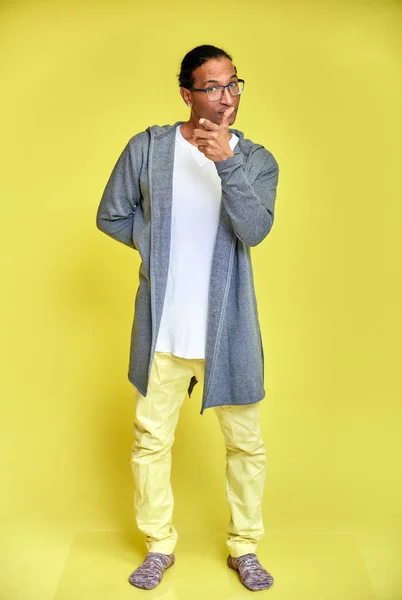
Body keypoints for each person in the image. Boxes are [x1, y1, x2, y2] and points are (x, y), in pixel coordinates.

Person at [96, 44, 279, 592]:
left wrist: (227, 161)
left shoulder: (258, 159)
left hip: (229, 331)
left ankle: (245, 546)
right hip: (164, 330)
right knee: (150, 442)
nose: (227, 98)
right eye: (213, 88)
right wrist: (155, 248)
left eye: (234, 85)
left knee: (246, 444)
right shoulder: (148, 148)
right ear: (186, 94)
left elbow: (255, 230)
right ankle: (158, 545)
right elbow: (111, 214)